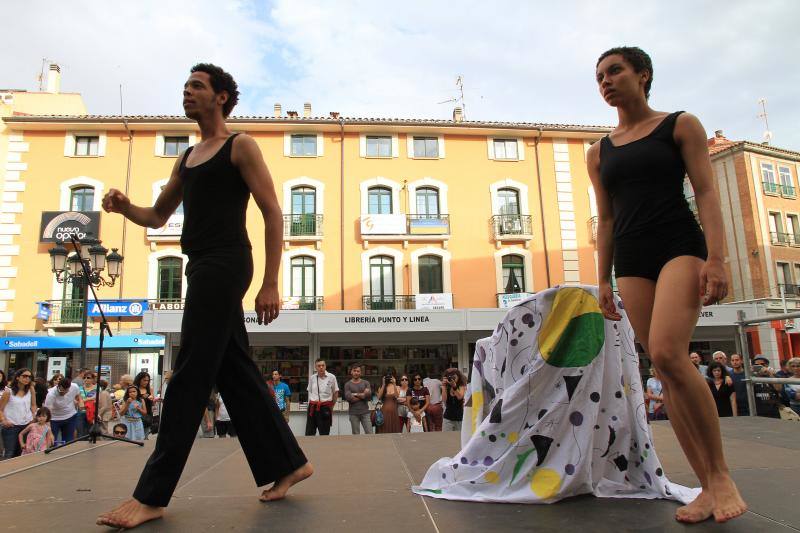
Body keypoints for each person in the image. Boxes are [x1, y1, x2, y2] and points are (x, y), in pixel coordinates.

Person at [97, 63, 311, 529]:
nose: (187, 93)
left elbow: (273, 212)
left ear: (222, 97)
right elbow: (156, 216)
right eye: (185, 86)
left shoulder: (241, 146)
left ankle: (152, 494)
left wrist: (271, 282)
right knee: (234, 371)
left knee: (191, 371)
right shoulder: (188, 156)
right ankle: (288, 464)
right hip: (200, 266)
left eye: (197, 86)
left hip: (228, 262)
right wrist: (122, 205)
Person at [589, 46, 746, 522]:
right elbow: (607, 218)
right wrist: (602, 280)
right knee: (663, 364)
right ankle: (704, 486)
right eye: (599, 76)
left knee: (668, 351)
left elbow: (705, 191)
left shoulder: (680, 125)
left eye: (615, 70)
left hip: (679, 242)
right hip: (633, 256)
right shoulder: (598, 152)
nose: (606, 81)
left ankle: (721, 476)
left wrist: (716, 259)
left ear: (643, 74)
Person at [0, 368, 37, 458]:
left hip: (26, 425)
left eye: (29, 377)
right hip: (11, 426)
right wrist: (4, 421)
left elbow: (33, 405)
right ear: (17, 377)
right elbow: (1, 409)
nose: (27, 378)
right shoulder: (8, 392)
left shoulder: (30, 390)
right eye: (24, 376)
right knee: (9, 453)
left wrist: (33, 417)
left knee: (22, 452)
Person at [44, 376, 82, 445]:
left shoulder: (74, 387)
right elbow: (47, 413)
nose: (62, 393)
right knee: (53, 442)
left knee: (68, 441)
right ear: (58, 386)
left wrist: (79, 402)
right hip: (54, 419)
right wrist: (49, 432)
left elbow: (78, 395)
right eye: (61, 391)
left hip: (70, 416)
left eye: (65, 391)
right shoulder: (51, 394)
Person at [306, 359, 338, 436]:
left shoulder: (331, 377)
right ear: (315, 367)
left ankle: (325, 447)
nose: (321, 367)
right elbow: (310, 391)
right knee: (309, 432)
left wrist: (332, 406)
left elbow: (336, 392)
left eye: (323, 365)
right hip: (313, 407)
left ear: (325, 366)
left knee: (324, 432)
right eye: (319, 366)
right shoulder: (312, 378)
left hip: (325, 407)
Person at [344, 365, 372, 435]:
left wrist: (354, 394)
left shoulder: (366, 383)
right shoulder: (347, 384)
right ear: (351, 372)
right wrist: (362, 395)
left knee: (370, 433)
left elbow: (368, 396)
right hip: (353, 413)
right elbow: (349, 398)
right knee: (356, 435)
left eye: (358, 371)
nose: (356, 373)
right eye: (354, 371)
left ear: (360, 373)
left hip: (365, 412)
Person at [133, 372, 154, 437]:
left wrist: (152, 400)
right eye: (144, 380)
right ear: (139, 380)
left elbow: (152, 401)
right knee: (136, 435)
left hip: (147, 414)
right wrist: (142, 398)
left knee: (145, 435)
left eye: (148, 380)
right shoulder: (134, 389)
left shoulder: (150, 389)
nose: (146, 382)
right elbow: (131, 401)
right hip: (136, 414)